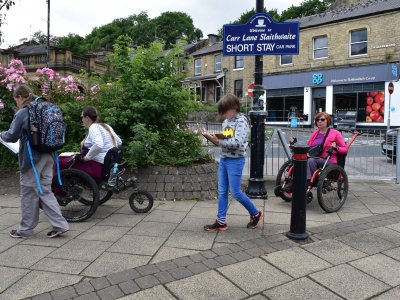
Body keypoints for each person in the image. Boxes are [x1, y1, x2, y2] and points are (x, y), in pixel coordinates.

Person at [0, 84, 69, 238]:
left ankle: (25, 230)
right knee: (45, 190)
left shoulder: (24, 112)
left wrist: (1, 135)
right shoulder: (44, 107)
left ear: (20, 97)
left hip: (33, 159)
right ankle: (60, 225)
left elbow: (11, 135)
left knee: (29, 193)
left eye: (16, 99)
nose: (16, 102)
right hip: (50, 155)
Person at [203, 94, 263, 231]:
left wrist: (218, 141)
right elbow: (227, 139)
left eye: (225, 111)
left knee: (235, 192)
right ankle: (221, 221)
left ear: (234, 107)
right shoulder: (227, 122)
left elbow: (237, 142)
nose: (224, 115)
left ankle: (256, 213)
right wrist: (215, 138)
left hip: (235, 160)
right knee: (222, 191)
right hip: (224, 159)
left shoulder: (241, 121)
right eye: (222, 112)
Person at [59, 106, 122, 181]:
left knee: (59, 160)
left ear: (87, 118)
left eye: (82, 117)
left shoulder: (93, 127)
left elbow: (98, 145)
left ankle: (59, 190)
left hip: (97, 167)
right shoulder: (106, 126)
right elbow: (119, 142)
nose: (82, 120)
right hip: (108, 165)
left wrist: (85, 159)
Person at [306, 112, 347, 184]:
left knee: (311, 161)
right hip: (315, 158)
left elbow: (344, 149)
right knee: (298, 160)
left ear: (327, 120)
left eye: (322, 119)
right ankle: (293, 183)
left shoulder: (335, 133)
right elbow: (308, 146)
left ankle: (310, 182)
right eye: (317, 120)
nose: (319, 121)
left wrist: (336, 147)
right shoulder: (315, 133)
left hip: (329, 161)